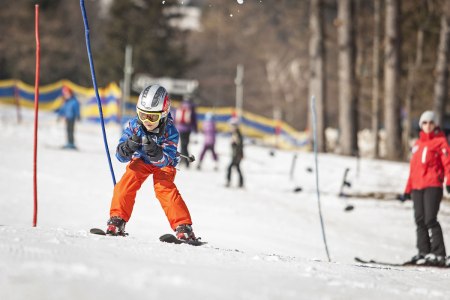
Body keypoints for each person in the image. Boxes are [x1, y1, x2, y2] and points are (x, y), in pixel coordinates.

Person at [105, 84, 197, 241]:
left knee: (164, 188)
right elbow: (120, 157)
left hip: (164, 164)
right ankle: (117, 219)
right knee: (126, 182)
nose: (147, 121)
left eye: (153, 117)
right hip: (141, 160)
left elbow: (165, 159)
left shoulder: (170, 131)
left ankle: (183, 227)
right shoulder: (134, 125)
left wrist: (155, 153)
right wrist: (128, 147)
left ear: (164, 113)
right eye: (142, 115)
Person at [403, 110, 449, 266]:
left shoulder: (441, 141)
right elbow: (413, 169)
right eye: (424, 122)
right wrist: (407, 189)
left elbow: (448, 163)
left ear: (435, 125)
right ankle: (424, 252)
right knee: (420, 220)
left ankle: (439, 253)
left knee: (430, 219)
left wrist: (449, 181)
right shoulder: (417, 144)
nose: (428, 126)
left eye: (431, 122)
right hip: (417, 187)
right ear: (421, 125)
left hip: (432, 185)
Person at [174, 96, 198, 168]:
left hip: (180, 128)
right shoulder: (191, 107)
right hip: (188, 129)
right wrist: (195, 129)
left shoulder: (180, 105)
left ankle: (182, 160)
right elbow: (194, 119)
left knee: (183, 145)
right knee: (185, 145)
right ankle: (187, 161)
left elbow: (175, 117)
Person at [226, 118, 244, 188]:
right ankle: (241, 182)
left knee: (230, 168)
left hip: (237, 155)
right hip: (235, 154)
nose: (230, 128)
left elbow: (239, 146)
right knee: (237, 168)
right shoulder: (234, 134)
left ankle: (229, 181)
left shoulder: (237, 134)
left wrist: (239, 154)